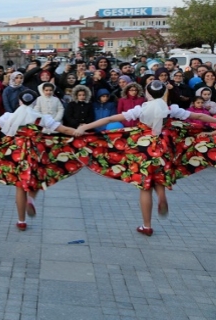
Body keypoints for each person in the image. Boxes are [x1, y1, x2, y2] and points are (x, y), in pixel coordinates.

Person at [73, 80, 216, 236]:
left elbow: (111, 119)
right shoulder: (170, 109)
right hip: (165, 147)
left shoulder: (140, 109)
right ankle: (162, 196)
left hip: (144, 148)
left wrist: (85, 127)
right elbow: (199, 115)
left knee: (145, 186)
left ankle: (146, 226)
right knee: (159, 175)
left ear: (147, 93)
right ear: (164, 93)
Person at [0, 90, 79, 231]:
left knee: (20, 186)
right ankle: (31, 198)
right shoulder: (42, 117)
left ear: (19, 101)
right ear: (34, 102)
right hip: (36, 151)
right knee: (37, 177)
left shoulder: (10, 116)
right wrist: (84, 133)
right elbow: (65, 130)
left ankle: (21, 221)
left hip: (16, 152)